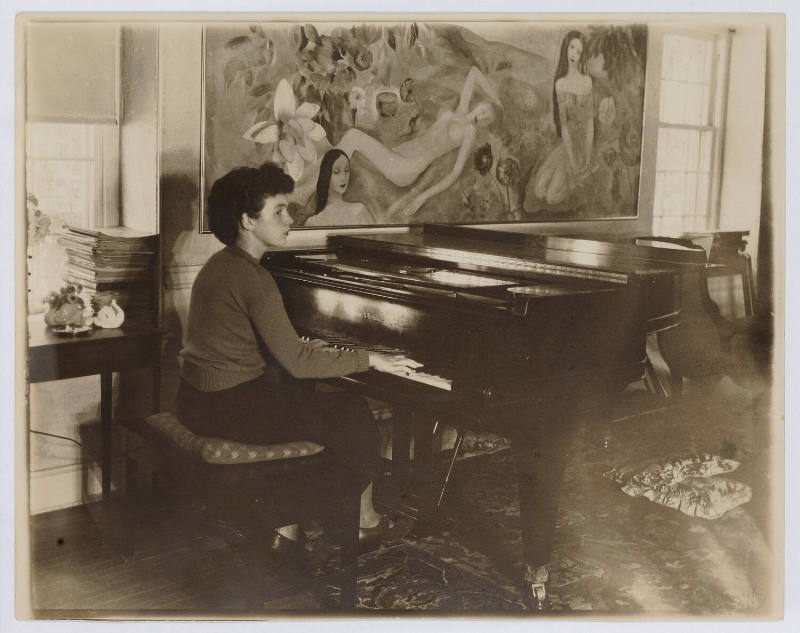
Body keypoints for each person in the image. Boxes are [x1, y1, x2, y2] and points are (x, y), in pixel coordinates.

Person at [177, 162, 418, 552]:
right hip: (231, 409)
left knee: (318, 402)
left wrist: (315, 352)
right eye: (280, 211)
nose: (291, 219)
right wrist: (370, 358)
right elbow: (299, 362)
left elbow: (266, 349)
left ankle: (286, 525)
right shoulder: (254, 278)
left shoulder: (218, 265)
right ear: (246, 220)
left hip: (196, 402)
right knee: (354, 418)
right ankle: (356, 524)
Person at [336, 66, 502, 218]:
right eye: (483, 110)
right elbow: (473, 72)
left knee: (353, 137)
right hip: (399, 154)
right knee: (354, 148)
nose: (481, 116)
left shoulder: (469, 132)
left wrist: (421, 198)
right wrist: (496, 100)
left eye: (486, 117)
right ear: (479, 105)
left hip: (407, 166)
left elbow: (454, 174)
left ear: (484, 125)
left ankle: (324, 176)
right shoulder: (461, 111)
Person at [529, 30, 595, 206]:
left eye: (578, 51)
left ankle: (576, 181)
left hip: (584, 145)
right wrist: (571, 159)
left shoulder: (587, 82)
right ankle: (572, 173)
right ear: (566, 48)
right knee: (538, 189)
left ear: (582, 56)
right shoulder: (560, 84)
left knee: (551, 198)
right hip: (567, 145)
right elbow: (564, 126)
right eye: (572, 47)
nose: (573, 54)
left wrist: (587, 157)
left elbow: (590, 123)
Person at [305, 149, 376, 227]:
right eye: (336, 172)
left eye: (346, 171)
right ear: (326, 175)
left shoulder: (359, 210)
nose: (343, 177)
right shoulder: (313, 222)